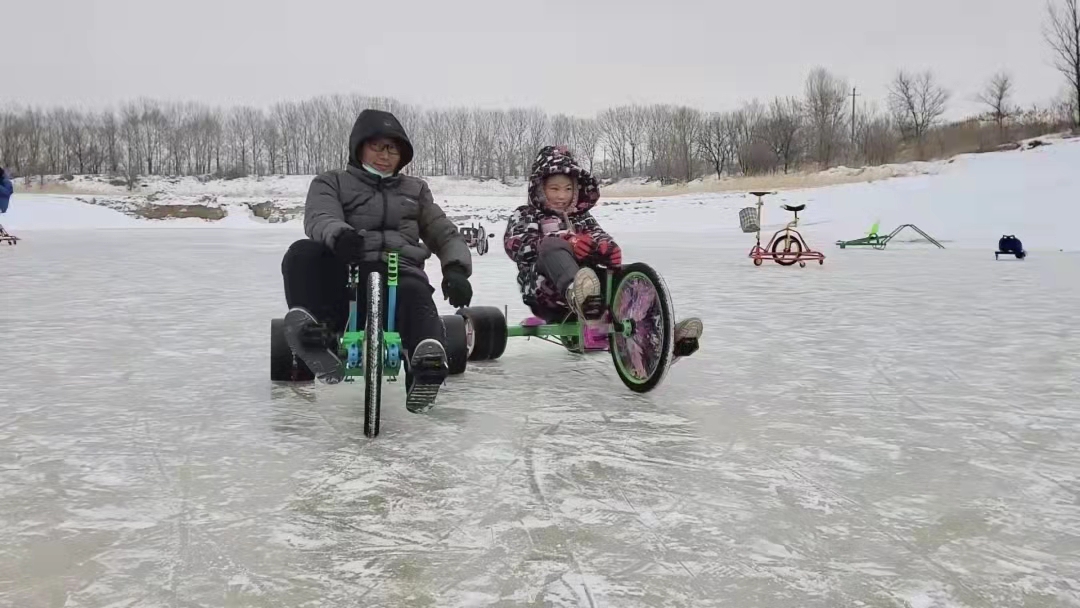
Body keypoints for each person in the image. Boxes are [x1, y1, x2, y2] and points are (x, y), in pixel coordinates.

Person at [281, 109, 474, 413]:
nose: (385, 155)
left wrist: (456, 268)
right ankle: (318, 338)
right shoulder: (331, 182)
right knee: (302, 253)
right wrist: (341, 236)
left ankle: (426, 366)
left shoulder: (416, 190)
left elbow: (443, 232)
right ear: (359, 147)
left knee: (416, 297)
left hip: (400, 273)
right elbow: (320, 216)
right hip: (348, 271)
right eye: (377, 146)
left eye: (393, 149)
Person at [503, 146, 702, 355]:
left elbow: (599, 235)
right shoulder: (526, 215)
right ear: (540, 188)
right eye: (554, 189)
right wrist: (565, 241)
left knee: (623, 274)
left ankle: (663, 335)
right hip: (545, 291)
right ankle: (577, 293)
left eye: (568, 189)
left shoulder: (582, 218)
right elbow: (515, 244)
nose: (562, 196)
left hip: (595, 297)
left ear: (576, 189)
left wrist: (606, 248)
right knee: (552, 246)